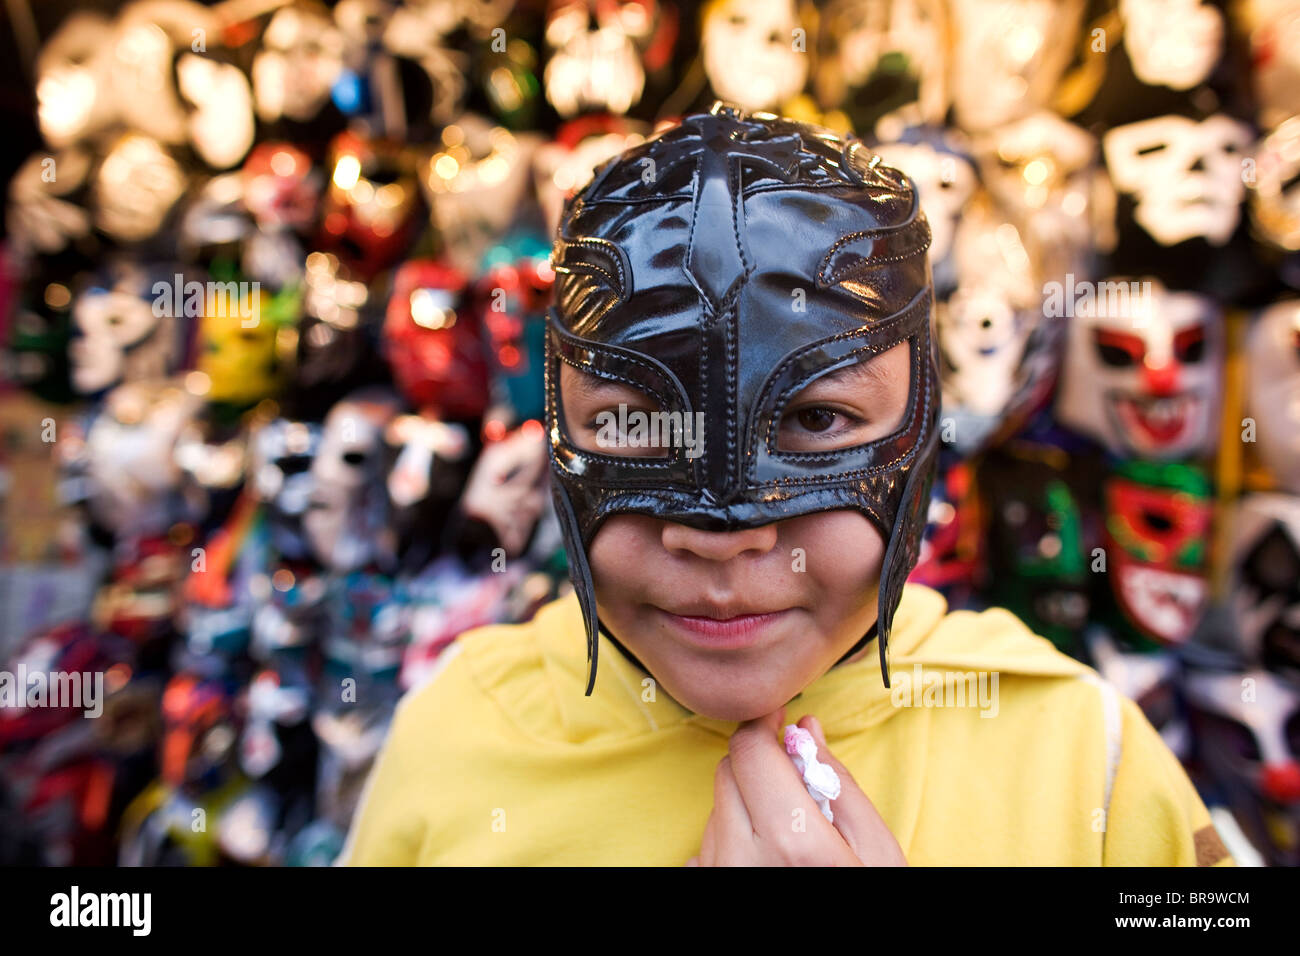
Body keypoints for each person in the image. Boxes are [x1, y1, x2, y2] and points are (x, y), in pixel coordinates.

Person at [340, 103, 1232, 866]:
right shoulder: (454, 736)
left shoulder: (1083, 760)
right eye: (636, 425)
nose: (721, 529)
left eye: (815, 421)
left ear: (922, 426)